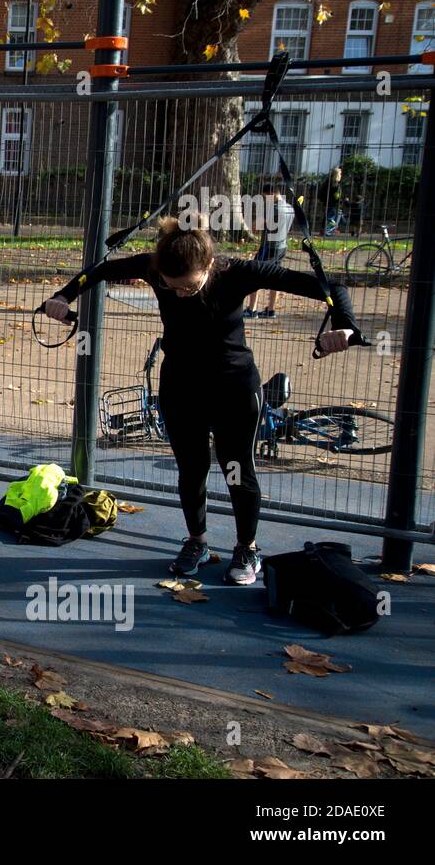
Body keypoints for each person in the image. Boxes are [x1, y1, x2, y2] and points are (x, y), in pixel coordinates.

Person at [42, 217, 362, 585]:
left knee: (236, 469)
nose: (178, 293)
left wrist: (346, 326)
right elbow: (99, 270)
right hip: (181, 387)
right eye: (169, 286)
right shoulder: (154, 267)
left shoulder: (238, 273)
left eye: (188, 288)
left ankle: (247, 547)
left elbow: (331, 286)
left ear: (209, 266)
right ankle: (197, 541)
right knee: (190, 469)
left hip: (234, 389)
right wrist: (63, 296)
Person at [244, 183, 292, 320]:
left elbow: (255, 228)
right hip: (282, 246)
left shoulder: (271, 209)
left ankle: (252, 309)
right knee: (275, 277)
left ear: (271, 194)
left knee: (254, 274)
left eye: (266, 197)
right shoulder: (289, 208)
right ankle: (270, 310)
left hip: (268, 246)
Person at [317, 166, 342, 236]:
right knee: (330, 217)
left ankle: (323, 230)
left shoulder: (327, 182)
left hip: (325, 202)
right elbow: (337, 196)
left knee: (326, 216)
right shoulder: (335, 185)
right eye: (340, 174)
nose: (341, 176)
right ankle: (328, 231)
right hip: (332, 203)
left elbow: (321, 193)